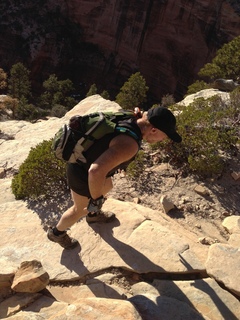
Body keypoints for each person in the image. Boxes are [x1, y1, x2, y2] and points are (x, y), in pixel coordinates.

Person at [47, 106, 182, 249]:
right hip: (81, 173)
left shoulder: (133, 116)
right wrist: (96, 199)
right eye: (165, 136)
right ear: (154, 130)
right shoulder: (129, 145)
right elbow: (95, 171)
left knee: (108, 186)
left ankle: (93, 215)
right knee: (79, 210)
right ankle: (57, 233)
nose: (163, 139)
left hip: (89, 161)